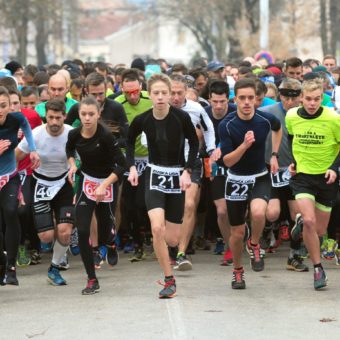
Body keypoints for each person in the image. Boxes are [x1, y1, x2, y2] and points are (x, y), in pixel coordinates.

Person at [126, 73, 199, 298]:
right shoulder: (143, 119)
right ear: (150, 94)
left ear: (170, 95)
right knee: (157, 228)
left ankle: (169, 252)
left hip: (176, 176)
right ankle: (169, 279)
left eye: (164, 93)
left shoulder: (181, 118)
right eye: (155, 93)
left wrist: (187, 170)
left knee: (172, 239)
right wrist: (131, 167)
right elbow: (129, 141)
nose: (159, 97)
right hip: (154, 174)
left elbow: (194, 142)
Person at [219, 78, 282, 289]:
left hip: (259, 175)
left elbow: (278, 128)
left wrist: (273, 154)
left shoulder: (265, 119)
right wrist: (244, 146)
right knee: (236, 233)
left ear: (256, 99)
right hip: (236, 179)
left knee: (257, 213)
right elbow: (227, 161)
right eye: (242, 98)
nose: (247, 102)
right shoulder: (226, 124)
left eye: (251, 98)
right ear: (235, 99)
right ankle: (237, 271)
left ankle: (254, 243)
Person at [66, 96, 126, 295]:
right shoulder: (74, 134)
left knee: (105, 229)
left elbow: (122, 165)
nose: (87, 118)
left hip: (107, 181)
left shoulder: (106, 136)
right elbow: (69, 150)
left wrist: (106, 185)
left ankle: (110, 243)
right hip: (88, 181)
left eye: (91, 114)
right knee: (82, 230)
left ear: (98, 114)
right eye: (83, 114)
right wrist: (73, 165)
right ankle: (92, 279)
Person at [286, 79, 340, 290]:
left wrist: (334, 168)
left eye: (316, 99)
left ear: (322, 98)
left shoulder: (333, 118)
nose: (312, 103)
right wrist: (294, 161)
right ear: (301, 98)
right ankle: (318, 268)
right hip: (303, 177)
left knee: (319, 230)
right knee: (310, 221)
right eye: (308, 99)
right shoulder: (292, 116)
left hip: (326, 178)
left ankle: (301, 221)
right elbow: (292, 139)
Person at [16, 98, 74, 286]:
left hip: (64, 183)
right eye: (51, 118)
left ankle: (55, 268)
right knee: (46, 237)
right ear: (45, 118)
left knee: (65, 232)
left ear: (64, 117)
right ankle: (50, 244)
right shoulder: (36, 134)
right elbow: (15, 157)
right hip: (40, 183)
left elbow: (84, 156)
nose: (55, 122)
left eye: (58, 118)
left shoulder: (72, 134)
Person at [169, 74, 215, 271]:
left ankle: (181, 252)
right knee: (170, 210)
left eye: (179, 93)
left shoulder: (196, 109)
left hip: (192, 161)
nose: (176, 97)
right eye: (172, 93)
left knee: (189, 204)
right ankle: (170, 245)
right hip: (167, 164)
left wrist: (212, 152)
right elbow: (145, 139)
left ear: (186, 91)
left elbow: (209, 130)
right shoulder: (159, 110)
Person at [262, 78, 308, 271]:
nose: (290, 101)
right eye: (286, 97)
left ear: (301, 97)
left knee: (298, 216)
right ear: (280, 95)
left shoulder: (306, 114)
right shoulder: (267, 113)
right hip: (270, 168)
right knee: (272, 213)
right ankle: (264, 230)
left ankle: (294, 255)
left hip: (295, 170)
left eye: (294, 97)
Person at [0, 86, 39, 285]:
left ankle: (11, 267)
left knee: (11, 210)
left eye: (3, 106)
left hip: (10, 176)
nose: (0, 110)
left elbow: (27, 128)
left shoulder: (16, 119)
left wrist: (32, 150)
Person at [114, 68, 153, 261]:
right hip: (129, 159)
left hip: (151, 159)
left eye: (135, 91)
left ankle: (151, 237)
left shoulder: (151, 99)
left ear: (141, 88)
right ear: (121, 90)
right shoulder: (117, 104)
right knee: (129, 204)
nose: (132, 96)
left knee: (145, 202)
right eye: (127, 92)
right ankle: (137, 243)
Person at [205, 80, 237, 265]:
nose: (218, 106)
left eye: (222, 102)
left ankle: (241, 237)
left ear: (228, 100)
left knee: (239, 210)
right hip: (215, 166)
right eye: (214, 101)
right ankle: (229, 246)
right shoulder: (204, 114)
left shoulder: (236, 112)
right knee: (222, 210)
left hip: (238, 164)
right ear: (209, 99)